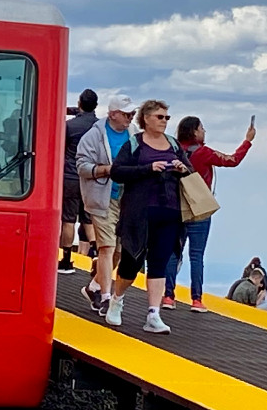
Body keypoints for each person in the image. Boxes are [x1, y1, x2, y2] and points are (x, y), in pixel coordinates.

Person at [106, 99, 193, 334]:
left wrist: (182, 169)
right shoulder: (135, 144)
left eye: (167, 118)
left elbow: (190, 172)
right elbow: (117, 172)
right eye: (159, 117)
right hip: (139, 214)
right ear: (145, 118)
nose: (164, 121)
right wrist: (147, 169)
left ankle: (154, 314)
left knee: (159, 264)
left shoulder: (174, 145)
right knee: (131, 262)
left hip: (170, 213)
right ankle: (117, 298)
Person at [162, 115, 255, 313]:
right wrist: (248, 141)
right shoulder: (203, 152)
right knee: (196, 256)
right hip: (199, 208)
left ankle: (168, 296)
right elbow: (233, 160)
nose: (204, 132)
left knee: (172, 253)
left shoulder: (173, 149)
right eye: (202, 128)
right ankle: (196, 299)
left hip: (175, 207)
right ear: (195, 131)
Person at [76, 95, 136, 316]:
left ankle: (93, 287)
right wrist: (107, 170)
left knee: (119, 250)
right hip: (102, 197)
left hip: (125, 198)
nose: (130, 118)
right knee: (107, 248)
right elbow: (82, 166)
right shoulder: (94, 136)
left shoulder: (133, 133)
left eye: (132, 114)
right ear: (113, 114)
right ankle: (105, 296)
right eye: (127, 113)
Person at [58, 89, 98, 273]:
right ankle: (96, 252)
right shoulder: (99, 127)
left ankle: (65, 261)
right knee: (88, 219)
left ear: (80, 103)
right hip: (91, 176)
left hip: (71, 176)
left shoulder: (70, 126)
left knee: (68, 220)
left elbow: (60, 149)